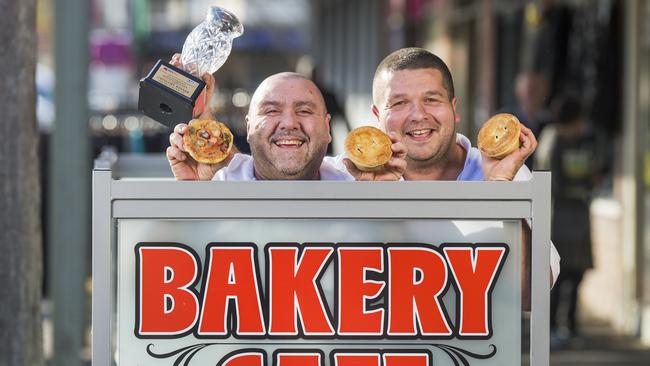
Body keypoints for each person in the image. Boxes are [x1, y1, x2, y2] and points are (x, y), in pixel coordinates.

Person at [367, 47, 560, 286]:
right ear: (376, 115)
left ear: (453, 107)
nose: (418, 115)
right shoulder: (348, 175)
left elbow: (533, 292)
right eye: (399, 103)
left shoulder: (507, 172)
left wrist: (500, 190)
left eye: (431, 99)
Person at [166, 70, 406, 181]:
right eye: (271, 111)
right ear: (248, 128)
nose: (290, 123)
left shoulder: (358, 181)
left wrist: (382, 202)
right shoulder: (217, 182)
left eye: (304, 110)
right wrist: (192, 196)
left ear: (327, 128)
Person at [536, 95, 599, 347]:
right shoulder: (554, 142)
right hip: (560, 218)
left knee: (575, 273)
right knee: (558, 274)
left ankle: (569, 326)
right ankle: (552, 328)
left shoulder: (576, 141)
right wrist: (583, 184)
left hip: (575, 218)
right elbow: (556, 182)